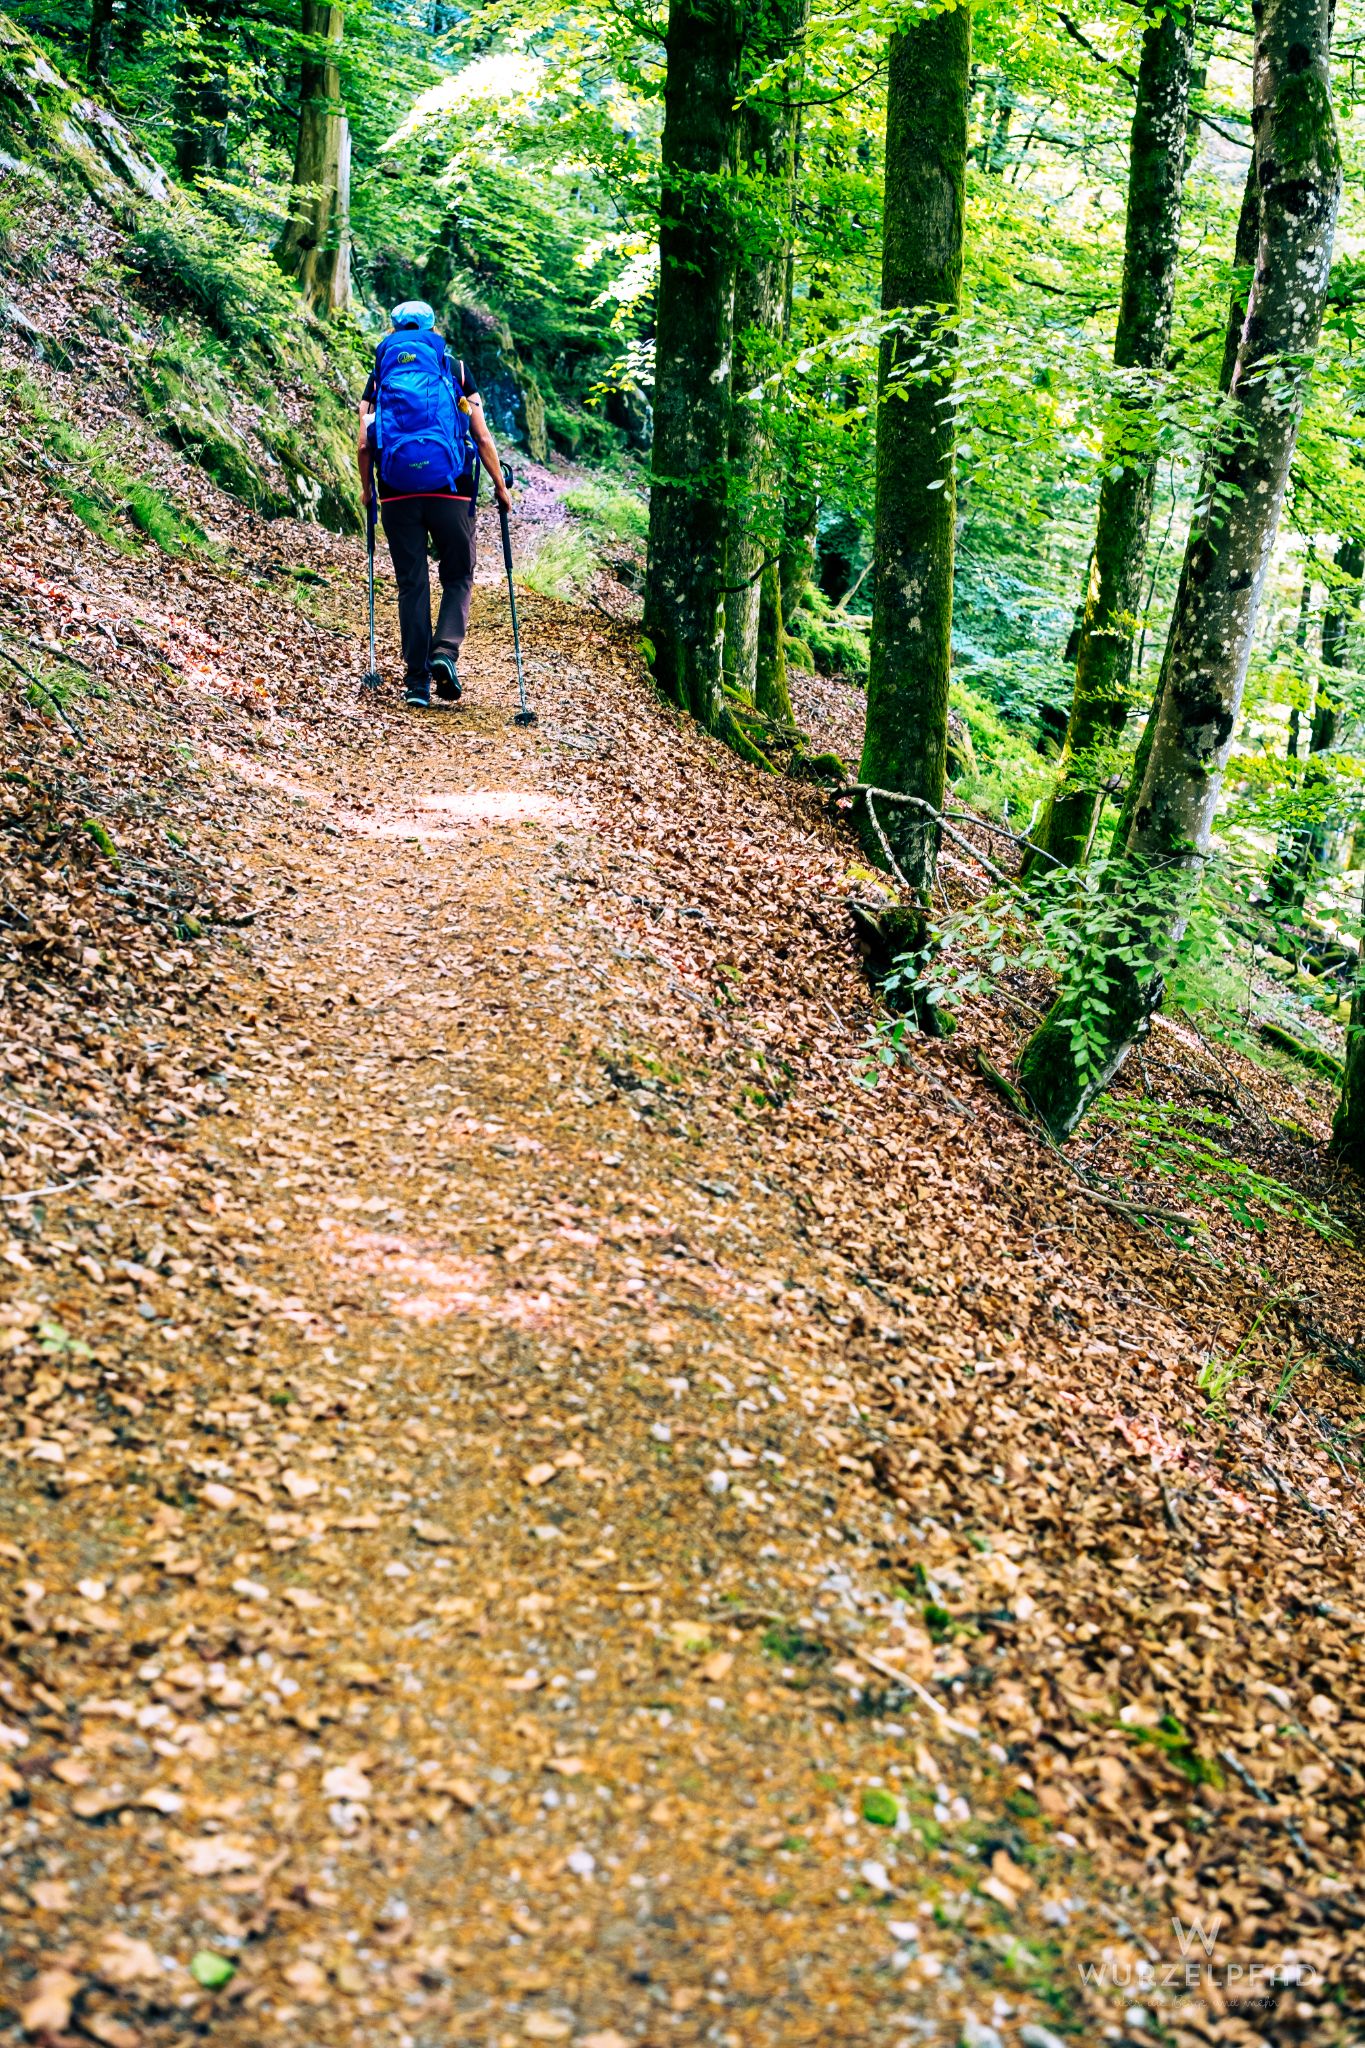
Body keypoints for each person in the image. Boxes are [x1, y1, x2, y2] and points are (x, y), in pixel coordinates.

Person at [357, 300, 512, 709]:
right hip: (452, 489)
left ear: (394, 329)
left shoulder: (379, 375)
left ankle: (416, 683)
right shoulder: (455, 370)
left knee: (412, 583)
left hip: (396, 491)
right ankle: (445, 651)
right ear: (432, 328)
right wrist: (500, 486)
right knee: (458, 574)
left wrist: (367, 491)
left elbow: (364, 443)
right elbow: (480, 435)